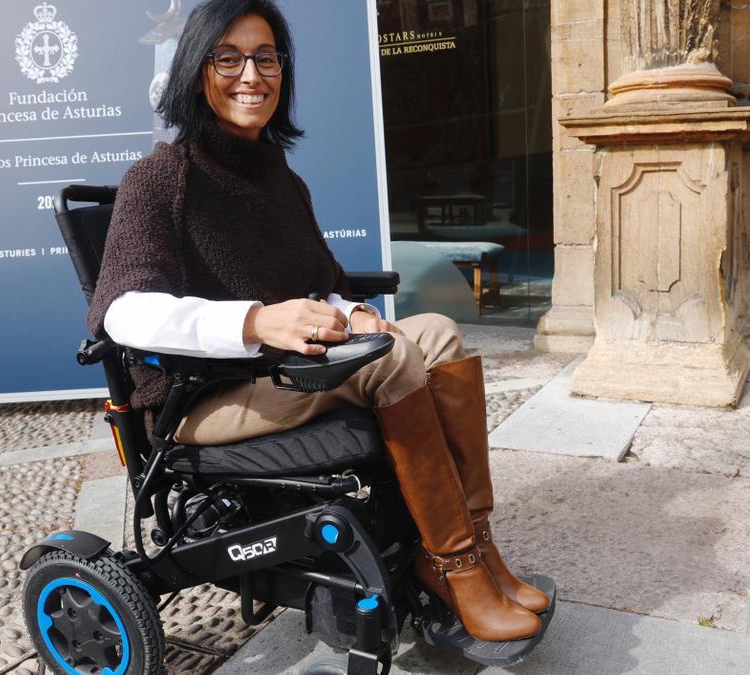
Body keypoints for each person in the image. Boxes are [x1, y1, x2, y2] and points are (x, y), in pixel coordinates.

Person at [87, 0, 548, 643]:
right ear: (197, 71)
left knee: (437, 331)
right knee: (391, 360)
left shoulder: (279, 178)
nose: (251, 74)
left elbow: (322, 284)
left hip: (286, 376)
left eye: (265, 57)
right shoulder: (160, 179)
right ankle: (455, 568)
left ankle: (475, 550)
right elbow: (124, 312)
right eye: (229, 57)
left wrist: (354, 313)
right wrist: (256, 322)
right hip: (199, 401)